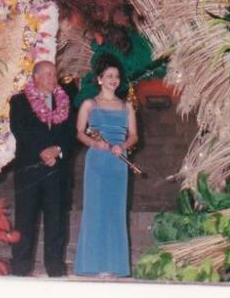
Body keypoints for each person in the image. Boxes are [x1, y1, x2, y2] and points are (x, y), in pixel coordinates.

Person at [9, 60, 75, 276]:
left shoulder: (65, 101)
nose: (53, 79)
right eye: (47, 74)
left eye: (54, 74)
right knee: (24, 221)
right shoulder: (19, 101)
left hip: (57, 171)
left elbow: (71, 133)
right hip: (30, 171)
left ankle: (55, 269)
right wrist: (42, 151)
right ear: (35, 77)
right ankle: (20, 268)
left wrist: (57, 149)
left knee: (56, 222)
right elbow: (20, 130)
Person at [74, 56, 137, 278]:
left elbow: (134, 136)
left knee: (116, 211)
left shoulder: (127, 106)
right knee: (96, 209)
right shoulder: (90, 104)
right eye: (109, 76)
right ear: (99, 79)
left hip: (118, 162)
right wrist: (94, 143)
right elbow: (80, 132)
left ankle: (115, 266)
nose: (114, 80)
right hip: (97, 161)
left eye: (117, 76)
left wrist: (123, 145)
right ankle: (94, 264)